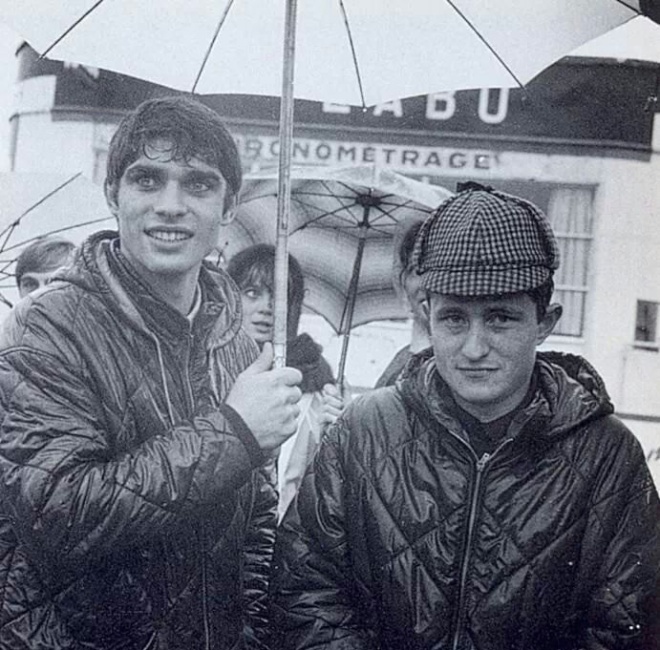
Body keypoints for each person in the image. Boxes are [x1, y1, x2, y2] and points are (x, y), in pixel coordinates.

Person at [270, 184, 660, 650]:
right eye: (455, 319)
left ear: (546, 321)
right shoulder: (363, 431)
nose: (475, 348)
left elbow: (626, 625)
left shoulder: (607, 456)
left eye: (500, 319)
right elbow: (304, 591)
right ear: (426, 313)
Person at [0, 96, 303, 650]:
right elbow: (60, 515)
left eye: (198, 184)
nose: (171, 205)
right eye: (147, 180)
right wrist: (233, 432)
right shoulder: (45, 327)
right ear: (113, 194)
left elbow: (256, 516)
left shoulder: (236, 336)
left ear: (229, 206)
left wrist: (250, 632)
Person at [227, 243, 342, 521]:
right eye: (252, 293)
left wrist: (334, 439)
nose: (266, 308)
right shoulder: (206, 367)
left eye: (279, 296)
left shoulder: (318, 380)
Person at [375, 217, 430, 388]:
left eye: (437, 269)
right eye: (416, 270)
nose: (426, 283)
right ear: (404, 282)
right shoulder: (402, 358)